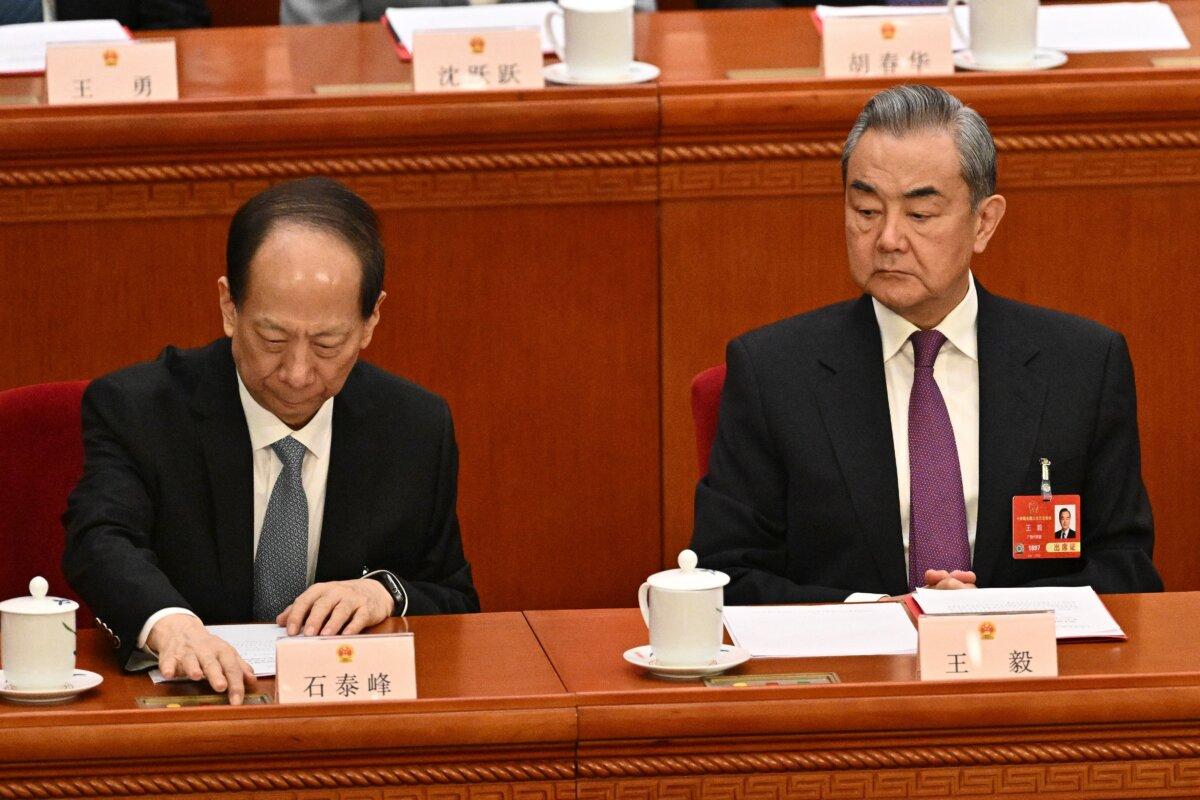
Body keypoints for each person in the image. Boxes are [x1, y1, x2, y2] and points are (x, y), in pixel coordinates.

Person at [690, 84, 1161, 603]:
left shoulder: (1082, 366)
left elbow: (1126, 570)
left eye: (920, 215)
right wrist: (874, 617)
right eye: (866, 210)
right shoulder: (773, 372)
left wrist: (991, 613)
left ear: (984, 222)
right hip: (853, 673)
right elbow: (725, 576)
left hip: (1020, 671)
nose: (888, 238)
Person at [64, 177, 478, 704]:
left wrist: (383, 594)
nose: (299, 373)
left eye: (328, 343)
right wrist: (171, 625)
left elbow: (454, 596)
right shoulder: (141, 409)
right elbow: (99, 540)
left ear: (371, 320)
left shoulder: (413, 426)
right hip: (189, 716)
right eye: (272, 339)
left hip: (342, 724)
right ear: (229, 307)